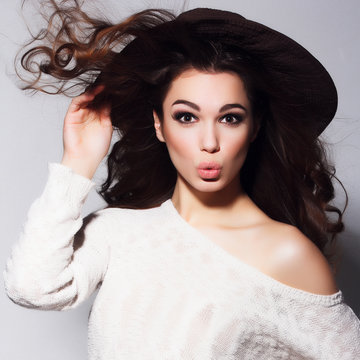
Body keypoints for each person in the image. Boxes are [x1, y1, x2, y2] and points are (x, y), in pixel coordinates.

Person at [3, 1, 360, 359]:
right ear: (159, 124)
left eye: (230, 118)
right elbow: (31, 287)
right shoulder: (117, 231)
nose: (209, 143)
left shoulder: (286, 255)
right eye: (187, 117)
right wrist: (77, 163)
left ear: (255, 127)